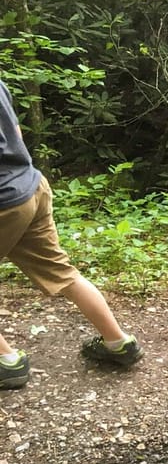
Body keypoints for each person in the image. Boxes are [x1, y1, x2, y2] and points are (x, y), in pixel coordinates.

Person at [0, 78, 144, 386]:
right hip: (30, 187)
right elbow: (16, 134)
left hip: (3, 201)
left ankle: (7, 362)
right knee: (63, 272)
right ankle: (118, 342)